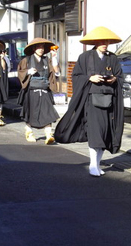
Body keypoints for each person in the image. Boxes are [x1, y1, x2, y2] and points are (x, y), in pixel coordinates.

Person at [54, 26, 124, 177]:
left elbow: (119, 76)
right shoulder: (85, 57)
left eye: (107, 41)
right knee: (95, 132)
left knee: (106, 132)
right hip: (91, 100)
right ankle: (93, 164)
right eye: (101, 41)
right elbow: (76, 75)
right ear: (95, 42)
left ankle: (98, 164)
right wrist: (89, 78)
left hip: (109, 99)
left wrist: (114, 79)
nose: (105, 43)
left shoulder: (113, 58)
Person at [17, 37, 60, 144]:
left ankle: (49, 134)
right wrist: (28, 72)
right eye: (38, 47)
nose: (41, 49)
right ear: (34, 48)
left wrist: (54, 58)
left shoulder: (47, 60)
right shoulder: (26, 60)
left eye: (42, 47)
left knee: (48, 112)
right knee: (31, 112)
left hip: (44, 90)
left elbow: (56, 72)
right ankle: (29, 131)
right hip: (31, 90)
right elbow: (20, 73)